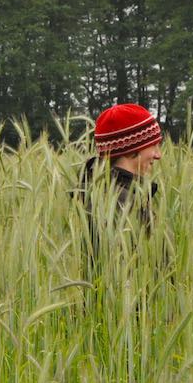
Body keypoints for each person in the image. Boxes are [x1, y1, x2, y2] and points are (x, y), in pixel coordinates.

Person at [71, 103, 164, 273]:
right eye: (154, 145)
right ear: (132, 148)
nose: (158, 155)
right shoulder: (122, 203)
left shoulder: (94, 191)